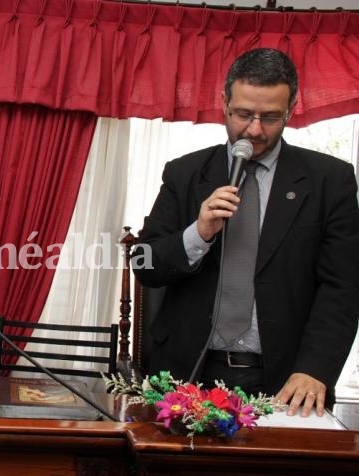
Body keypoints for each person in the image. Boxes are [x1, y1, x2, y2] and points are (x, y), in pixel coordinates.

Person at [134, 48, 359, 418]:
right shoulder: (184, 173)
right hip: (190, 374)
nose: (254, 130)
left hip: (287, 380)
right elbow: (144, 263)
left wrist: (315, 369)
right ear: (224, 102)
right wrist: (198, 233)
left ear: (291, 109)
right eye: (243, 114)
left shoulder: (329, 181)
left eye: (270, 117)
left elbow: (343, 286)